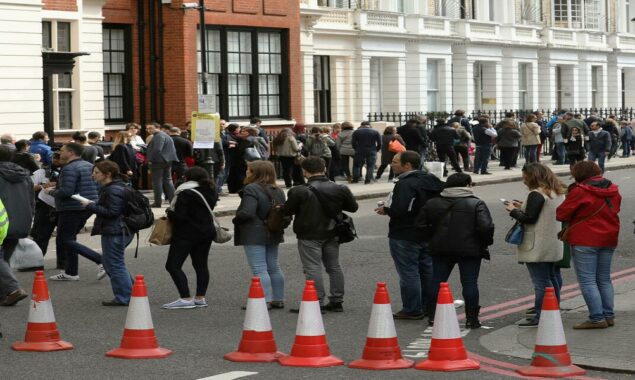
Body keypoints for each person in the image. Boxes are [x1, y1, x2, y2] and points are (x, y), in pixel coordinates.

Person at [283, 157, 358, 312]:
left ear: (305, 171)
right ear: (324, 169)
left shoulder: (298, 191)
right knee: (334, 266)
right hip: (333, 232)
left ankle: (316, 301)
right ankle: (337, 300)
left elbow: (287, 211)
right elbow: (353, 208)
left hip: (308, 234)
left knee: (312, 267)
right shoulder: (340, 188)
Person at [375, 151, 443, 320]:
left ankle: (412, 309)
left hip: (405, 233)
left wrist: (386, 209)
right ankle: (429, 305)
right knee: (427, 270)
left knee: (409, 272)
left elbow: (401, 210)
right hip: (428, 232)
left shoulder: (405, 184)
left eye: (395, 162)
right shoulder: (432, 180)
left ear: (407, 165)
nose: (392, 164)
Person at [421, 172, 494, 328]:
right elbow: (486, 227)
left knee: (437, 281)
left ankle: (433, 317)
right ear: (467, 185)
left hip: (440, 248)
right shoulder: (476, 203)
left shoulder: (432, 202)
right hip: (469, 249)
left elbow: (420, 226)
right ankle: (472, 319)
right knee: (469, 283)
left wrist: (432, 239)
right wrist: (485, 242)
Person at [556, 161, 621, 329]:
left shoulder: (579, 191)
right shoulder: (613, 189)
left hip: (585, 239)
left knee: (588, 281)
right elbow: (616, 209)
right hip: (609, 237)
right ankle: (608, 315)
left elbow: (561, 214)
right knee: (604, 279)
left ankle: (597, 318)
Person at [505, 163, 566, 327]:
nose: (523, 180)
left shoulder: (536, 194)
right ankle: (553, 311)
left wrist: (512, 210)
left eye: (525, 176)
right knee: (552, 279)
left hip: (536, 244)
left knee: (541, 283)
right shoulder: (556, 192)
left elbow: (529, 218)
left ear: (533, 176)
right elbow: (542, 211)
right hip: (552, 242)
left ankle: (541, 316)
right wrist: (521, 206)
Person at [78, 161, 135, 306]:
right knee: (113, 263)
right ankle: (133, 292)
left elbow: (113, 212)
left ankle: (126, 296)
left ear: (108, 174)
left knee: (114, 264)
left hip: (116, 230)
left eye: (96, 172)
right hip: (119, 229)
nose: (93, 175)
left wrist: (90, 206)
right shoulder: (116, 186)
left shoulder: (112, 190)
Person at [163, 167, 218, 309]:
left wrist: (169, 212)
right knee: (200, 264)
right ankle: (200, 297)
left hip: (186, 233)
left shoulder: (185, 193)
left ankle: (185, 297)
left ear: (188, 178)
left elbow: (180, 217)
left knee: (173, 265)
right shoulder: (210, 191)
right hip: (206, 231)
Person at [45, 143, 101, 281]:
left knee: (64, 240)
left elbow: (66, 192)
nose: (60, 153)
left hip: (71, 207)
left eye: (62, 150)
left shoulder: (69, 168)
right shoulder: (89, 166)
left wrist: (50, 191)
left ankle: (100, 260)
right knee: (70, 238)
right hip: (87, 206)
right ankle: (71, 272)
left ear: (70, 153)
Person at [234, 161, 286, 309]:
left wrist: (237, 218)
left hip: (253, 232)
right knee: (273, 266)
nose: (246, 172)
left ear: (255, 173)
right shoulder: (278, 190)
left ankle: (264, 300)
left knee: (259, 268)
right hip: (273, 230)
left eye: (248, 170)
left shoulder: (251, 188)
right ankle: (278, 298)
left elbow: (247, 212)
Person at [0, 145, 33, 306]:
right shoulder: (23, 174)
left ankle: (13, 289)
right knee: (4, 258)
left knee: (1, 259)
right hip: (21, 221)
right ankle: (5, 293)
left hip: (1, 222)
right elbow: (31, 199)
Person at [146, 122, 178, 207]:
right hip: (167, 160)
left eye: (151, 128)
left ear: (158, 128)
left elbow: (157, 150)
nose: (149, 130)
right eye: (148, 128)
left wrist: (150, 160)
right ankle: (173, 201)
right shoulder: (164, 135)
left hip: (158, 161)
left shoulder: (158, 136)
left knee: (157, 182)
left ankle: (157, 202)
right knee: (168, 181)